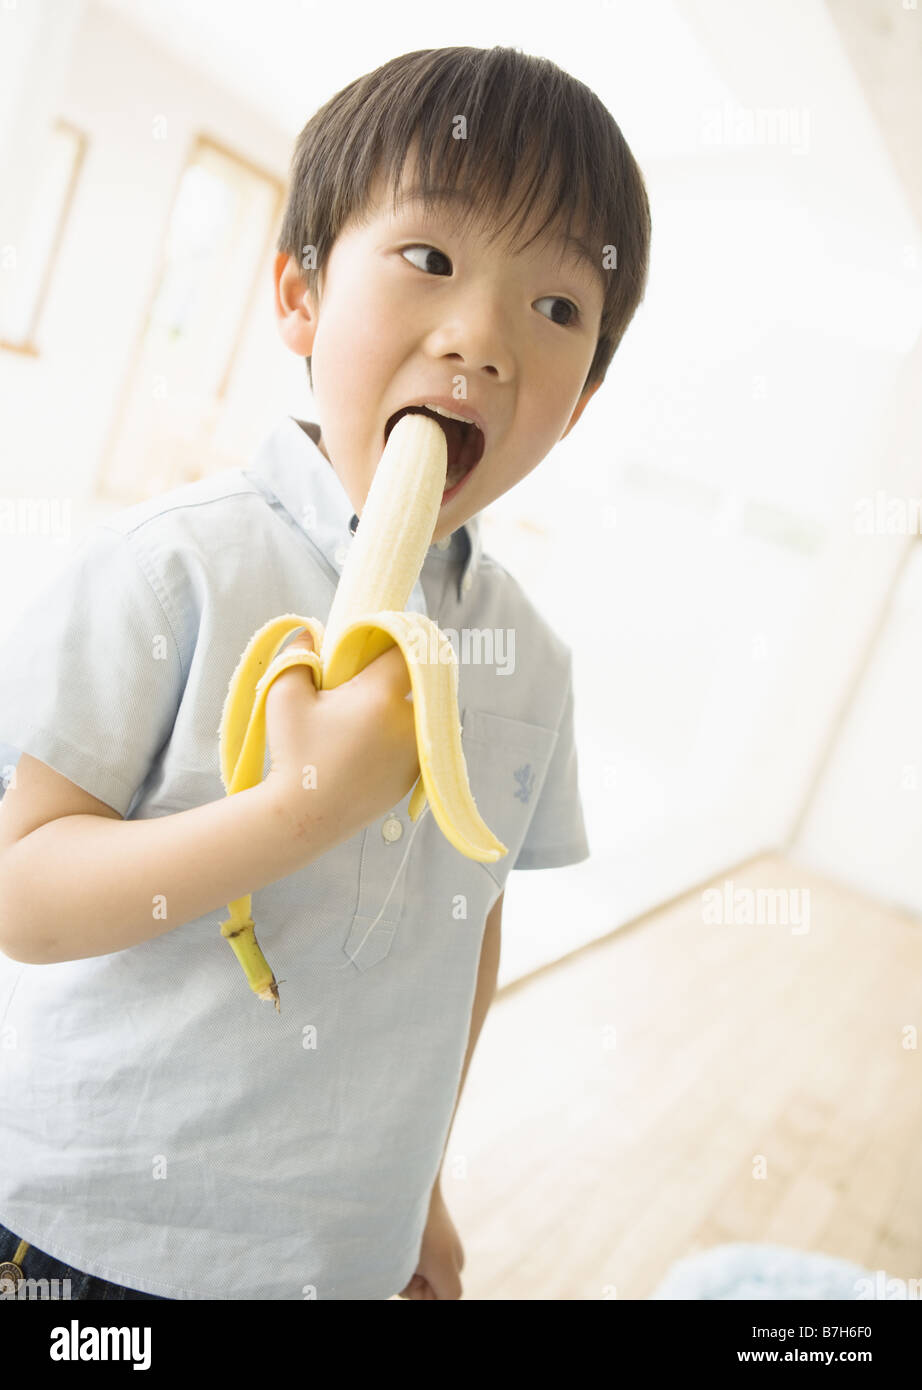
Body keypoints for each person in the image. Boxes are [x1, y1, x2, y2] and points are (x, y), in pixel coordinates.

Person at [0, 45, 651, 1300]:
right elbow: (24, 898)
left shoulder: (533, 663)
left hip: (333, 1261)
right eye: (432, 261)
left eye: (557, 308)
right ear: (298, 293)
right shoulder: (169, 571)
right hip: (81, 1241)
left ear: (578, 402)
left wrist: (426, 1192)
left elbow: (465, 939)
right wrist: (295, 812)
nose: (483, 339)